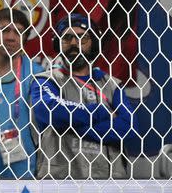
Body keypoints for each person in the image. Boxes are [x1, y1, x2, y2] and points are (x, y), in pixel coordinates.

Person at [30, 13, 136, 179]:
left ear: (94, 43)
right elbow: (49, 111)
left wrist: (68, 124)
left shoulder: (112, 85)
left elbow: (128, 127)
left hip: (109, 183)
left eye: (82, 38)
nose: (74, 43)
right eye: (67, 38)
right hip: (60, 183)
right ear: (58, 44)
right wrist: (102, 112)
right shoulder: (46, 80)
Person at [0, 8, 43, 179]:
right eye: (4, 30)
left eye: (18, 32)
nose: (11, 37)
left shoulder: (37, 75)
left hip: (22, 175)